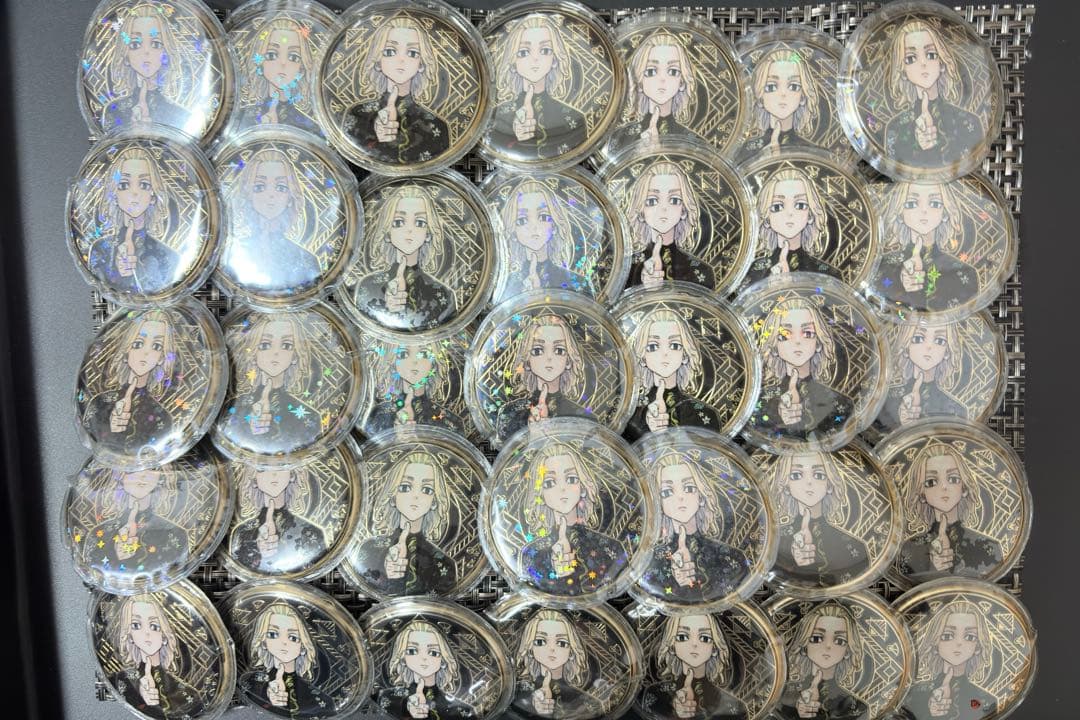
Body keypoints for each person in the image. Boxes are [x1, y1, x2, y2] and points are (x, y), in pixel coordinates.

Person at [639, 453, 749, 603]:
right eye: (666, 492)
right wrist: (681, 582)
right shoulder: (647, 560)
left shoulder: (731, 557)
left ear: (702, 497)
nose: (680, 497)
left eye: (689, 488)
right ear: (659, 503)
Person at [518, 444, 627, 595]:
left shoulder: (612, 547)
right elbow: (538, 593)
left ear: (583, 487)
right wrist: (556, 570)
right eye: (549, 482)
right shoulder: (532, 553)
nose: (562, 488)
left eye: (571, 479)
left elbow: (613, 586)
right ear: (540, 494)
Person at [343, 15, 449, 164]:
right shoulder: (357, 115)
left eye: (412, 53)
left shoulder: (437, 125)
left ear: (421, 64)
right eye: (390, 52)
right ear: (377, 61)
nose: (401, 60)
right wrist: (375, 132)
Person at [353, 451, 458, 596]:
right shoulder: (370, 549)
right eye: (405, 487)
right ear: (392, 496)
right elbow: (364, 588)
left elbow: (439, 601)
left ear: (434, 501)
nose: (415, 496)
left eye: (426, 490)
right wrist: (387, 573)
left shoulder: (445, 564)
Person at [222, 147, 322, 295]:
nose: (270, 195)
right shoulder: (229, 255)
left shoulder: (307, 260)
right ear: (248, 194)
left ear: (291, 196)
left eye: (281, 187)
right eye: (259, 187)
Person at [883, 22, 983, 169]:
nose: (923, 63)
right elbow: (896, 172)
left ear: (941, 63)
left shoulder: (969, 122)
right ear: (902, 71)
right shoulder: (895, 129)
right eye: (911, 58)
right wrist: (919, 147)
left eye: (931, 55)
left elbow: (968, 167)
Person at [355, 185, 456, 330]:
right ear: (387, 232)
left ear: (428, 234)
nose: (409, 230)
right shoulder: (367, 285)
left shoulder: (444, 294)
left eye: (420, 222)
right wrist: (387, 306)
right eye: (398, 222)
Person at [896, 444, 1002, 582]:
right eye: (931, 482)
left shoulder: (989, 547)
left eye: (953, 479)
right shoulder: (910, 549)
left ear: (964, 488)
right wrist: (933, 569)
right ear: (922, 495)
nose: (944, 487)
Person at [753, 296, 853, 440]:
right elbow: (760, 432)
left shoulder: (840, 403)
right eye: (785, 334)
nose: (797, 341)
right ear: (774, 346)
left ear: (818, 343)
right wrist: (779, 415)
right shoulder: (758, 402)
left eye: (807, 333)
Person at [490, 16, 588, 160]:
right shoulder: (496, 118)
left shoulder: (574, 118)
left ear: (555, 60)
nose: (535, 58)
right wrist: (516, 136)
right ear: (513, 62)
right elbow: (495, 149)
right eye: (524, 52)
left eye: (545, 50)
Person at [87, 146, 181, 296]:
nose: (135, 193)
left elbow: (163, 293)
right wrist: (117, 272)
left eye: (144, 185)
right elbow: (99, 290)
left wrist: (137, 269)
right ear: (114, 194)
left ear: (153, 195)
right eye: (124, 185)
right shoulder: (99, 250)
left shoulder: (169, 256)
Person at [82, 311, 177, 458]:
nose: (146, 353)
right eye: (138, 344)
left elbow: (157, 456)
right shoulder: (100, 403)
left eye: (157, 346)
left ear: (161, 358)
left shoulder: (164, 418)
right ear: (126, 351)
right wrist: (111, 428)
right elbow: (90, 438)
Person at [769, 454, 870, 587]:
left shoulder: (856, 546)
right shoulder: (773, 541)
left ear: (830, 485)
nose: (809, 482)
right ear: (786, 486)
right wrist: (796, 562)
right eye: (796, 475)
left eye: (819, 475)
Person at [875, 182, 977, 313]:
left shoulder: (964, 272)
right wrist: (900, 279)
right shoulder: (882, 266)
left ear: (945, 213)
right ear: (899, 214)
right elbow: (878, 304)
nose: (924, 211)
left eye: (935, 204)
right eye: (911, 204)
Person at [624, 307, 722, 441]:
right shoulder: (629, 414)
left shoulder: (705, 413)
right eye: (653, 346)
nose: (665, 353)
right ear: (642, 358)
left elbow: (707, 449)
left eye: (674, 345)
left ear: (685, 355)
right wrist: (648, 427)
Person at [226, 315, 319, 454]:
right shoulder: (233, 409)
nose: (275, 353)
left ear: (295, 356)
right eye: (265, 345)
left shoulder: (309, 416)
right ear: (253, 353)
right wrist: (250, 423)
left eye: (286, 345)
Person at [494, 314, 590, 442]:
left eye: (559, 350)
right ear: (527, 361)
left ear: (568, 360)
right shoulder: (510, 414)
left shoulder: (583, 419)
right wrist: (534, 436)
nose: (549, 358)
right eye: (538, 351)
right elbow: (506, 452)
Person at [109, 594, 205, 719]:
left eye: (154, 626)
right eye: (136, 625)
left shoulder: (188, 693)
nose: (146, 633)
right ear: (130, 635)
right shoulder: (121, 679)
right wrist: (142, 699)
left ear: (164, 636)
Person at [101, 3, 192, 131]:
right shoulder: (114, 111)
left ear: (166, 52)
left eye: (156, 44)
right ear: (125, 56)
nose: (146, 52)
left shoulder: (180, 115)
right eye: (135, 44)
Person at [899, 602, 997, 720]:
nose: (958, 643)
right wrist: (929, 709)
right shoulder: (913, 694)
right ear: (935, 643)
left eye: (970, 637)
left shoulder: (987, 701)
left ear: (978, 647)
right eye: (947, 636)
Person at [743, 167, 839, 285]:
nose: (789, 213)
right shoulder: (751, 271)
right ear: (766, 218)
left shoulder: (828, 274)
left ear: (810, 215)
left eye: (800, 205)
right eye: (777, 207)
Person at [625, 161, 714, 288]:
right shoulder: (626, 269)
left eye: (674, 200)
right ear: (640, 212)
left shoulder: (702, 271)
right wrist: (641, 283)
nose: (663, 208)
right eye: (652, 201)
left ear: (684, 210)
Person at [607, 32, 699, 154]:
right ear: (639, 82)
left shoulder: (692, 141)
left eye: (673, 71)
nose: (662, 79)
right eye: (651, 71)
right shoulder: (620, 138)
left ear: (682, 82)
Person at [497, 179, 589, 299]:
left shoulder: (578, 284)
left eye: (544, 217)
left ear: (555, 225)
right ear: (513, 230)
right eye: (522, 220)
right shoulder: (503, 286)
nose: (534, 227)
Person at [645, 614, 748, 720]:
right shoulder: (655, 694)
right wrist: (675, 711)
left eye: (704, 638)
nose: (694, 644)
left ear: (714, 648)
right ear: (672, 646)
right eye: (682, 637)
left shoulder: (734, 706)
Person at [85, 468, 186, 575]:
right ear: (120, 476)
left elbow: (170, 565)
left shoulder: (171, 531)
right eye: (132, 469)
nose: (143, 475)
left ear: (161, 478)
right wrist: (115, 552)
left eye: (152, 469)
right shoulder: (102, 530)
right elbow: (92, 561)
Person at [229, 465, 327, 575]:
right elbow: (237, 567)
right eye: (263, 468)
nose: (273, 474)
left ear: (292, 475)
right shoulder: (242, 533)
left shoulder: (312, 532)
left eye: (281, 466)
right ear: (254, 479)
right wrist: (258, 550)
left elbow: (313, 569)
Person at [240, 602, 332, 718]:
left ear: (303, 647)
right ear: (263, 642)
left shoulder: (321, 699)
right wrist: (267, 694)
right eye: (273, 634)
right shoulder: (253, 681)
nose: (283, 642)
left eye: (293, 637)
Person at [777, 604, 868, 720]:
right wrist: (799, 707)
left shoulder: (855, 704)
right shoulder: (784, 692)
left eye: (839, 641)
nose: (828, 646)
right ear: (804, 645)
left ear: (847, 651)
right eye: (817, 638)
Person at [235, 15, 321, 132]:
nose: (283, 63)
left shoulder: (310, 123)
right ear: (259, 62)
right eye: (272, 55)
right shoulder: (245, 116)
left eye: (293, 57)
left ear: (302, 68)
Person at [737, 47, 822, 162]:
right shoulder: (744, 151)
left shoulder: (813, 153)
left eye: (793, 86)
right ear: (760, 98)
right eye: (771, 87)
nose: (783, 94)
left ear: (803, 97)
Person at [878, 322, 966, 430]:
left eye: (940, 341)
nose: (929, 347)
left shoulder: (957, 410)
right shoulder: (885, 399)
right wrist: (903, 421)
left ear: (947, 352)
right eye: (918, 339)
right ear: (906, 347)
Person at [513, 609, 599, 718]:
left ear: (572, 651)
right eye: (540, 641)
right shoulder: (518, 690)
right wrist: (537, 707)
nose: (551, 649)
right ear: (530, 649)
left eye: (562, 643)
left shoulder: (581, 696)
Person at [381, 621, 475, 720]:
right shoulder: (387, 698)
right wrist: (406, 707)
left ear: (443, 660)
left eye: (433, 652)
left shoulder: (460, 709)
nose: (423, 658)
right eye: (412, 651)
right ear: (403, 658)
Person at [366, 342, 465, 434]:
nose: (414, 361)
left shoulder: (449, 422)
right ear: (392, 362)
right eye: (403, 354)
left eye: (424, 354)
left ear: (434, 363)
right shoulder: (377, 416)